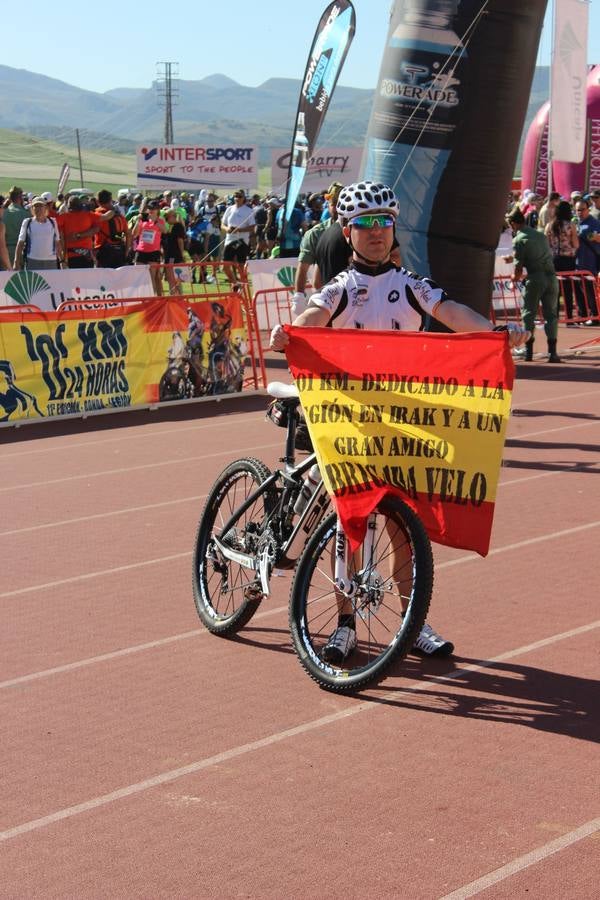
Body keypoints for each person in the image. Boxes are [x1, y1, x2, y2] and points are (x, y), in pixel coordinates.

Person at [270, 181, 529, 663]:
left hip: (398, 424)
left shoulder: (411, 285)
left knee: (404, 529)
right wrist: (288, 333)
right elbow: (314, 314)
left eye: (383, 223)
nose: (374, 232)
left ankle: (413, 621)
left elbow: (450, 312)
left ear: (393, 231)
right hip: (346, 421)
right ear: (347, 233)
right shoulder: (341, 288)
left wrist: (493, 333)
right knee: (353, 520)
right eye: (364, 225)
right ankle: (345, 623)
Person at [504, 207, 561, 362]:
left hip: (535, 279)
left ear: (513, 224)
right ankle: (552, 353)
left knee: (528, 314)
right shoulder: (540, 235)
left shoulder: (519, 239)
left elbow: (518, 268)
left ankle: (529, 352)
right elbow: (540, 254)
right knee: (551, 315)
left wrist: (514, 277)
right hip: (551, 278)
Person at [545, 200, 579, 323]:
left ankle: (554, 316)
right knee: (568, 289)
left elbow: (546, 244)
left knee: (555, 290)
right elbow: (576, 244)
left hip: (554, 259)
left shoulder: (550, 225)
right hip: (568, 259)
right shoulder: (570, 225)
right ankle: (569, 317)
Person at [14, 197, 63, 270]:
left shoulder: (53, 222)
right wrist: (16, 262)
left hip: (51, 262)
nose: (38, 208)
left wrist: (62, 262)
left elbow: (57, 243)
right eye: (36, 206)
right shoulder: (27, 222)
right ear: (32, 208)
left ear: (45, 208)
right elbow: (20, 244)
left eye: (41, 206)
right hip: (32, 261)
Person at [573, 198, 600, 324]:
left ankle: (595, 315)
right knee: (580, 290)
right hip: (578, 262)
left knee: (590, 290)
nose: (579, 212)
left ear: (588, 209)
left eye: (582, 210)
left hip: (589, 263)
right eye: (577, 210)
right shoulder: (575, 223)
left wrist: (594, 237)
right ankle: (583, 315)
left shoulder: (594, 223)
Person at [131, 199, 166, 295]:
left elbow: (164, 231)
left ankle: (152, 298)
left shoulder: (160, 220)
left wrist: (155, 221)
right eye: (150, 208)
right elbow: (134, 234)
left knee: (151, 277)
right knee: (138, 277)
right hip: (141, 250)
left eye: (154, 208)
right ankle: (140, 298)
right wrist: (138, 221)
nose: (151, 210)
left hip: (153, 251)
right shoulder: (143, 220)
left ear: (158, 210)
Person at [57, 195, 100, 268]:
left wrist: (62, 258)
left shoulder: (63, 217)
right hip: (87, 255)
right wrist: (80, 235)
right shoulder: (89, 215)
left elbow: (58, 237)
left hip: (70, 256)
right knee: (86, 278)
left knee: (72, 279)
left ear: (68, 205)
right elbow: (97, 228)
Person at [221, 190, 255, 269]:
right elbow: (222, 224)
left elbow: (252, 227)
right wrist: (227, 229)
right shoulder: (229, 209)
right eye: (235, 196)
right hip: (229, 240)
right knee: (225, 266)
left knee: (241, 265)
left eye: (240, 196)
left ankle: (243, 280)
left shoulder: (248, 211)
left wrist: (239, 230)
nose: (237, 198)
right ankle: (234, 281)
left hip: (242, 240)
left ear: (243, 198)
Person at [3, 187, 30, 265]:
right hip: (21, 251)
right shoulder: (25, 214)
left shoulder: (4, 213)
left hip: (6, 250)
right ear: (20, 198)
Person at [0, 199, 12, 270]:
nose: (3, 210)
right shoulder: (1, 226)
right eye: (2, 207)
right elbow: (2, 247)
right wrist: (9, 267)